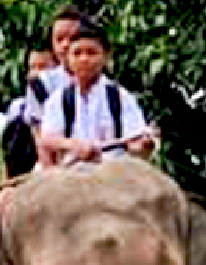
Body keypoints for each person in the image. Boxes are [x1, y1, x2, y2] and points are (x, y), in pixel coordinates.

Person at [36, 19, 161, 167]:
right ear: (68, 59)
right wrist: (73, 145)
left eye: (91, 53)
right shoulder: (59, 99)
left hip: (114, 173)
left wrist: (143, 145)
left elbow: (135, 143)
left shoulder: (120, 97)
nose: (84, 59)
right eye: (77, 53)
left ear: (106, 57)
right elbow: (48, 138)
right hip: (70, 174)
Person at [0, 48, 59, 181]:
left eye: (43, 67)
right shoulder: (18, 107)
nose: (36, 73)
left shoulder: (64, 102)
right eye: (32, 67)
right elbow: (7, 154)